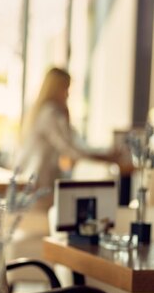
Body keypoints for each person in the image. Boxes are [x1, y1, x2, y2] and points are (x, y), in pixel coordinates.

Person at [15, 67, 123, 210]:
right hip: (38, 189)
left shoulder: (46, 112)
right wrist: (105, 157)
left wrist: (105, 154)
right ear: (55, 89)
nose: (67, 94)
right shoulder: (50, 113)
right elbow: (72, 150)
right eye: (65, 89)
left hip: (35, 185)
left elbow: (77, 144)